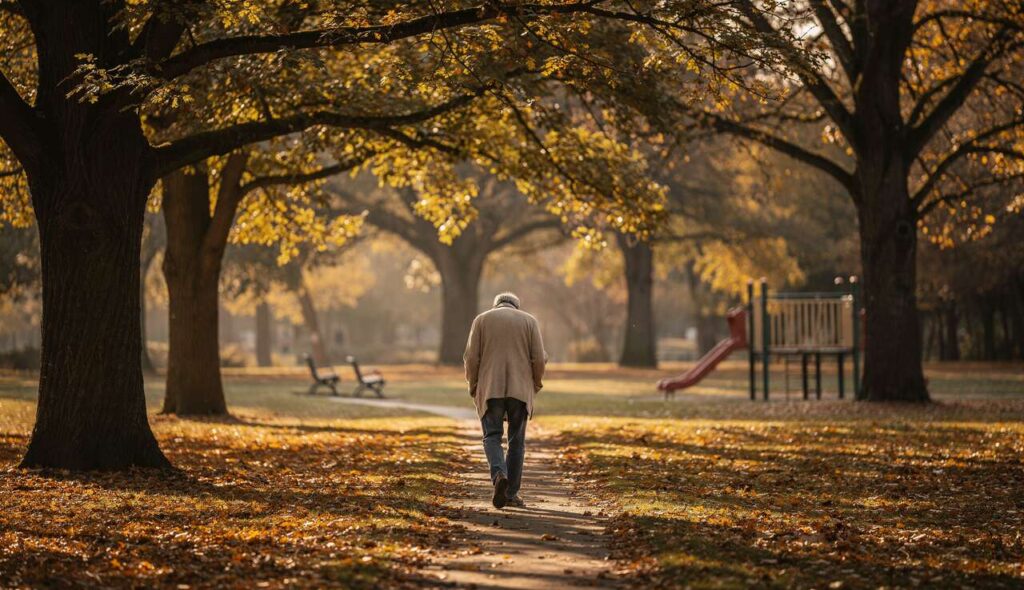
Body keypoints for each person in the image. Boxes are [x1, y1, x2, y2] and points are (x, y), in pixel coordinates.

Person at [464, 292, 547, 509]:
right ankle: (511, 494)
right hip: (520, 390)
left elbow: (471, 358)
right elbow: (539, 358)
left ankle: (499, 474)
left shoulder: (482, 320)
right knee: (516, 442)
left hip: (490, 387)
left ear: (496, 305)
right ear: (516, 306)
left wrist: (473, 385)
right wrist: (536, 384)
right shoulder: (529, 321)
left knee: (491, 436)